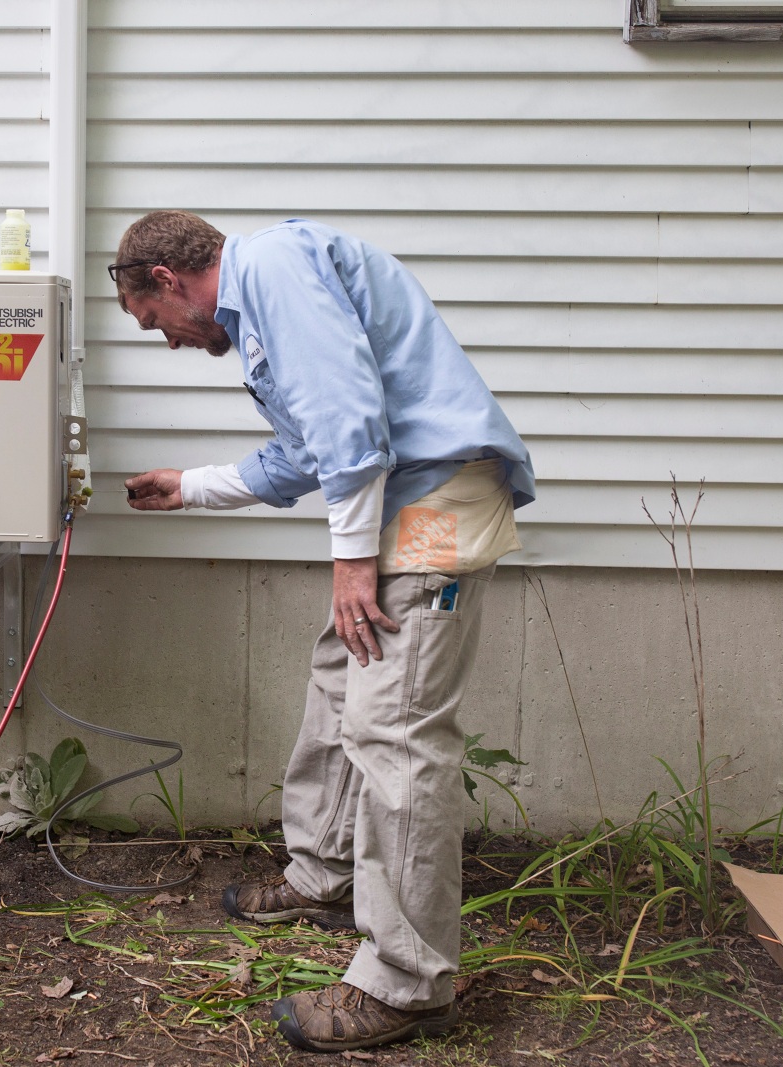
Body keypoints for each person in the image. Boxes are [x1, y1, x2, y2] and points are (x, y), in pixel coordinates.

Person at [115, 211, 536, 1054]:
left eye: (153, 322)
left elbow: (347, 418)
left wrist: (351, 565)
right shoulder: (269, 300)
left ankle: (408, 983)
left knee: (397, 727)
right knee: (345, 671)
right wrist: (191, 485)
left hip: (436, 503)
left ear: (167, 278)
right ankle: (328, 871)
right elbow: (308, 449)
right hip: (408, 497)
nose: (166, 342)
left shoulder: (269, 266)